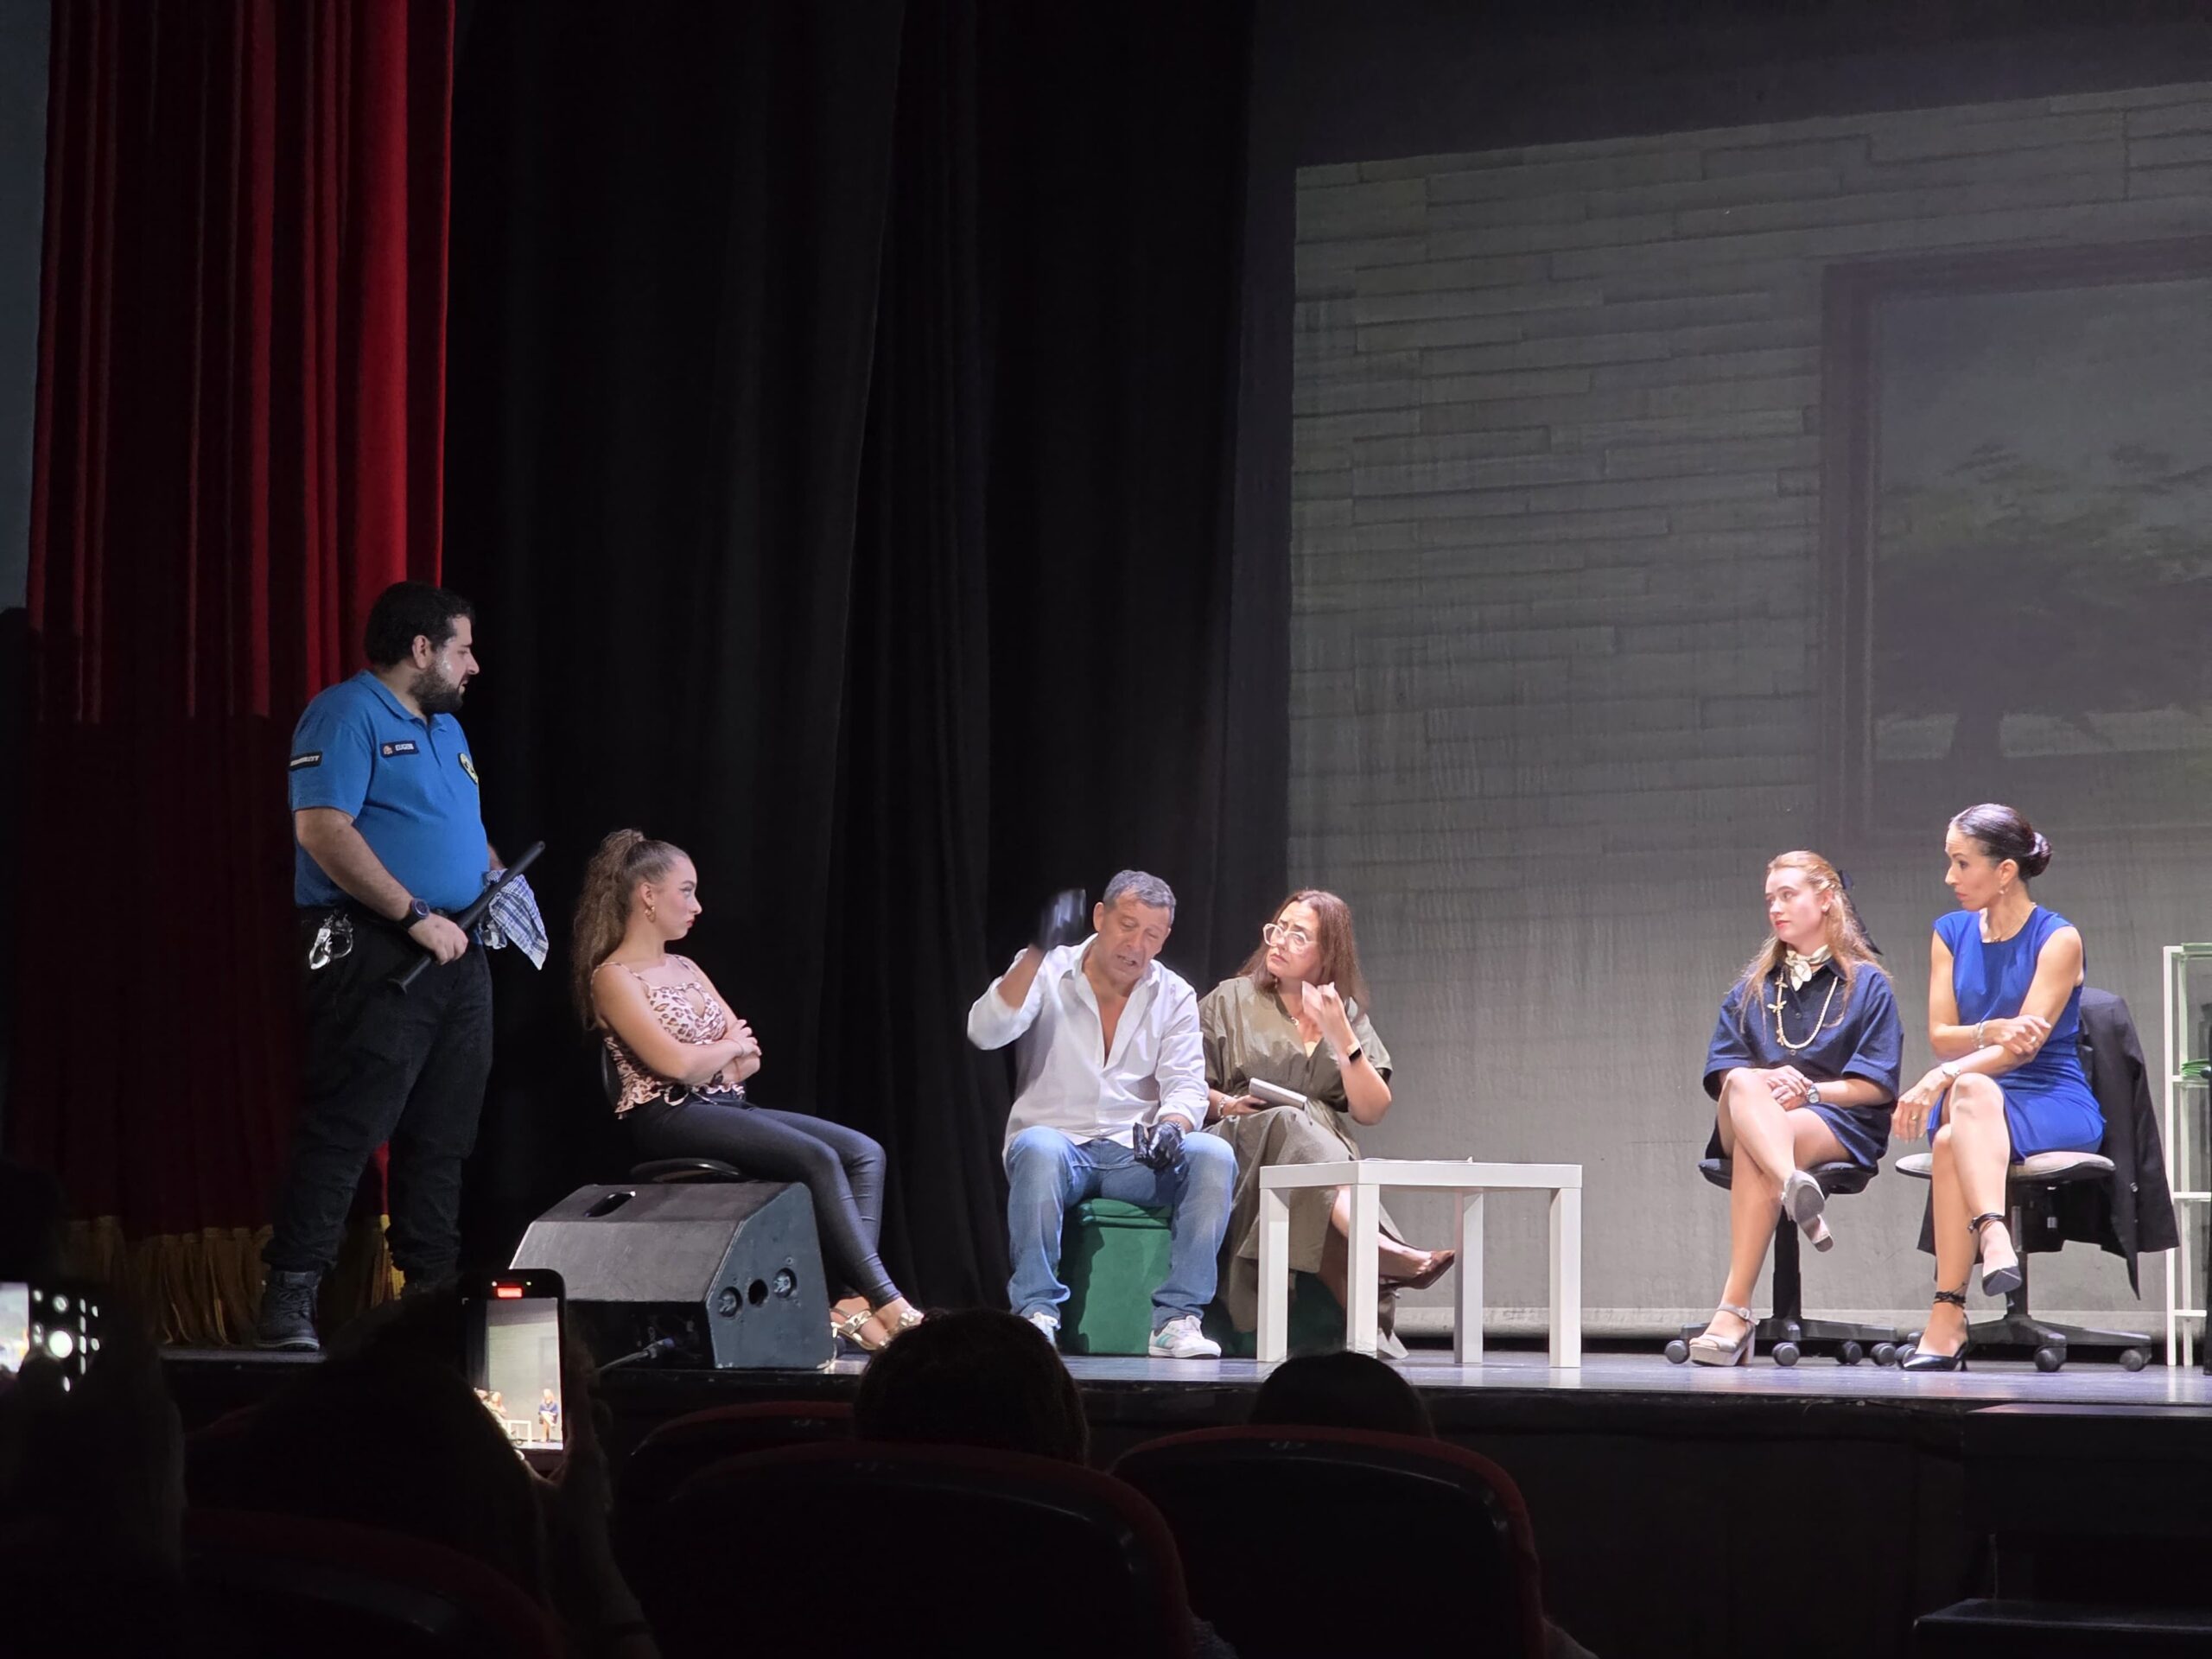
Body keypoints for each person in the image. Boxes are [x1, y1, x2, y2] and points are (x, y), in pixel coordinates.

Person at [257, 582, 499, 1351]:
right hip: (376, 950)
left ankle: (432, 1302)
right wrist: (415, 917)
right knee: (347, 1127)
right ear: (420, 649)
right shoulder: (345, 713)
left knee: (444, 1138)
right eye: (462, 647)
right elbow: (323, 829)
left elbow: (457, 829)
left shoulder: (448, 731)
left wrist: (488, 875)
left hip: (459, 954)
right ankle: (290, 1297)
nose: (474, 664)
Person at [575, 830, 920, 1352]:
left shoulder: (687, 967)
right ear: (647, 895)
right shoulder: (614, 977)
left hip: (724, 1104)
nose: (697, 905)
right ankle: (888, 1300)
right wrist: (721, 1053)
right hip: (668, 1114)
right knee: (817, 1158)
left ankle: (845, 1299)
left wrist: (720, 1057)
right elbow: (674, 1064)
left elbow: (751, 1056)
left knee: (863, 1152)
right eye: (685, 891)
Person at [967, 871, 1234, 1359]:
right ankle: (1036, 1313)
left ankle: (1178, 1319)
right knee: (1037, 1146)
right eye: (1127, 926)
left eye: (1152, 935)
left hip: (1135, 1154)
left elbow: (1186, 1085)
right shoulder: (1048, 969)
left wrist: (1173, 1127)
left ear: (1165, 937)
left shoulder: (1173, 994)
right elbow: (986, 1031)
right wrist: (1035, 951)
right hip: (1059, 1149)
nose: (1136, 945)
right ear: (1100, 917)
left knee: (1212, 1154)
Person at [1893, 804, 2101, 1372]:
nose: (1950, 878)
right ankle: (1989, 1241)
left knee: (1958, 1113)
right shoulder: (1949, 933)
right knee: (1963, 1111)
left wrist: (1944, 1075)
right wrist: (1985, 1031)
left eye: (1962, 864)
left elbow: (2022, 1050)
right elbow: (1942, 1035)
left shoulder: (2057, 939)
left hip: (2049, 1095)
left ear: (2005, 871)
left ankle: (1951, 1306)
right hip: (1977, 1098)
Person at [1198, 890, 1452, 1351]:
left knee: (1313, 1161)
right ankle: (1382, 1253)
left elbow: (1372, 1110)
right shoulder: (1229, 1000)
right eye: (1278, 928)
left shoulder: (1345, 1013)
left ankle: (1364, 1338)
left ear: (1327, 952)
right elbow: (1186, 1085)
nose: (1280, 941)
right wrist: (1226, 1105)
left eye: (1299, 935)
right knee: (1290, 1124)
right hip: (1242, 1143)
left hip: (1319, 1155)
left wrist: (1341, 1037)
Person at [1687, 852, 1901, 1365]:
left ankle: (1733, 1312)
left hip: (1834, 1121)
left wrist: (1811, 1093)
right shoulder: (1754, 988)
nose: (1776, 909)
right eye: (1770, 900)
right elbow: (1722, 1074)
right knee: (1742, 1081)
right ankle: (1793, 1183)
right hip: (1746, 1118)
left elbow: (1876, 1085)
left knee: (1761, 1152)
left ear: (1826, 899)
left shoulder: (1867, 984)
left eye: (1788, 896)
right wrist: (1762, 1078)